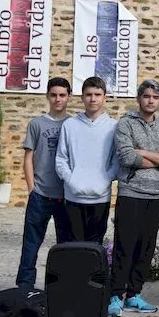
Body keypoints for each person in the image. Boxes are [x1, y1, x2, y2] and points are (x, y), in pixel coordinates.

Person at [108, 79, 159, 317]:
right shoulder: (125, 124)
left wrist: (144, 154)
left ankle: (134, 294)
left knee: (146, 247)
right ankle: (115, 295)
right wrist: (158, 157)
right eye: (147, 96)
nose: (151, 101)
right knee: (125, 245)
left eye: (155, 97)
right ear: (139, 98)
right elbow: (127, 157)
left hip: (156, 195)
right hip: (131, 192)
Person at [15, 77, 73, 290]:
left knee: (65, 246)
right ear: (47, 96)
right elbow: (28, 158)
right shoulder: (36, 124)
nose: (58, 99)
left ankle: (61, 286)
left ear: (69, 97)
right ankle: (24, 286)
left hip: (66, 196)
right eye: (54, 95)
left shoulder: (73, 124)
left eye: (62, 95)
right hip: (40, 194)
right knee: (31, 244)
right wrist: (32, 188)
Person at [55, 76, 119, 244]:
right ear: (82, 97)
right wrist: (71, 181)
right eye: (88, 94)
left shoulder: (113, 126)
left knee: (95, 247)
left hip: (101, 197)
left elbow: (117, 161)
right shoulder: (70, 125)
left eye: (97, 94)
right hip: (73, 196)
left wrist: (104, 180)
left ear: (104, 97)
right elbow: (61, 159)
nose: (93, 99)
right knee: (74, 246)